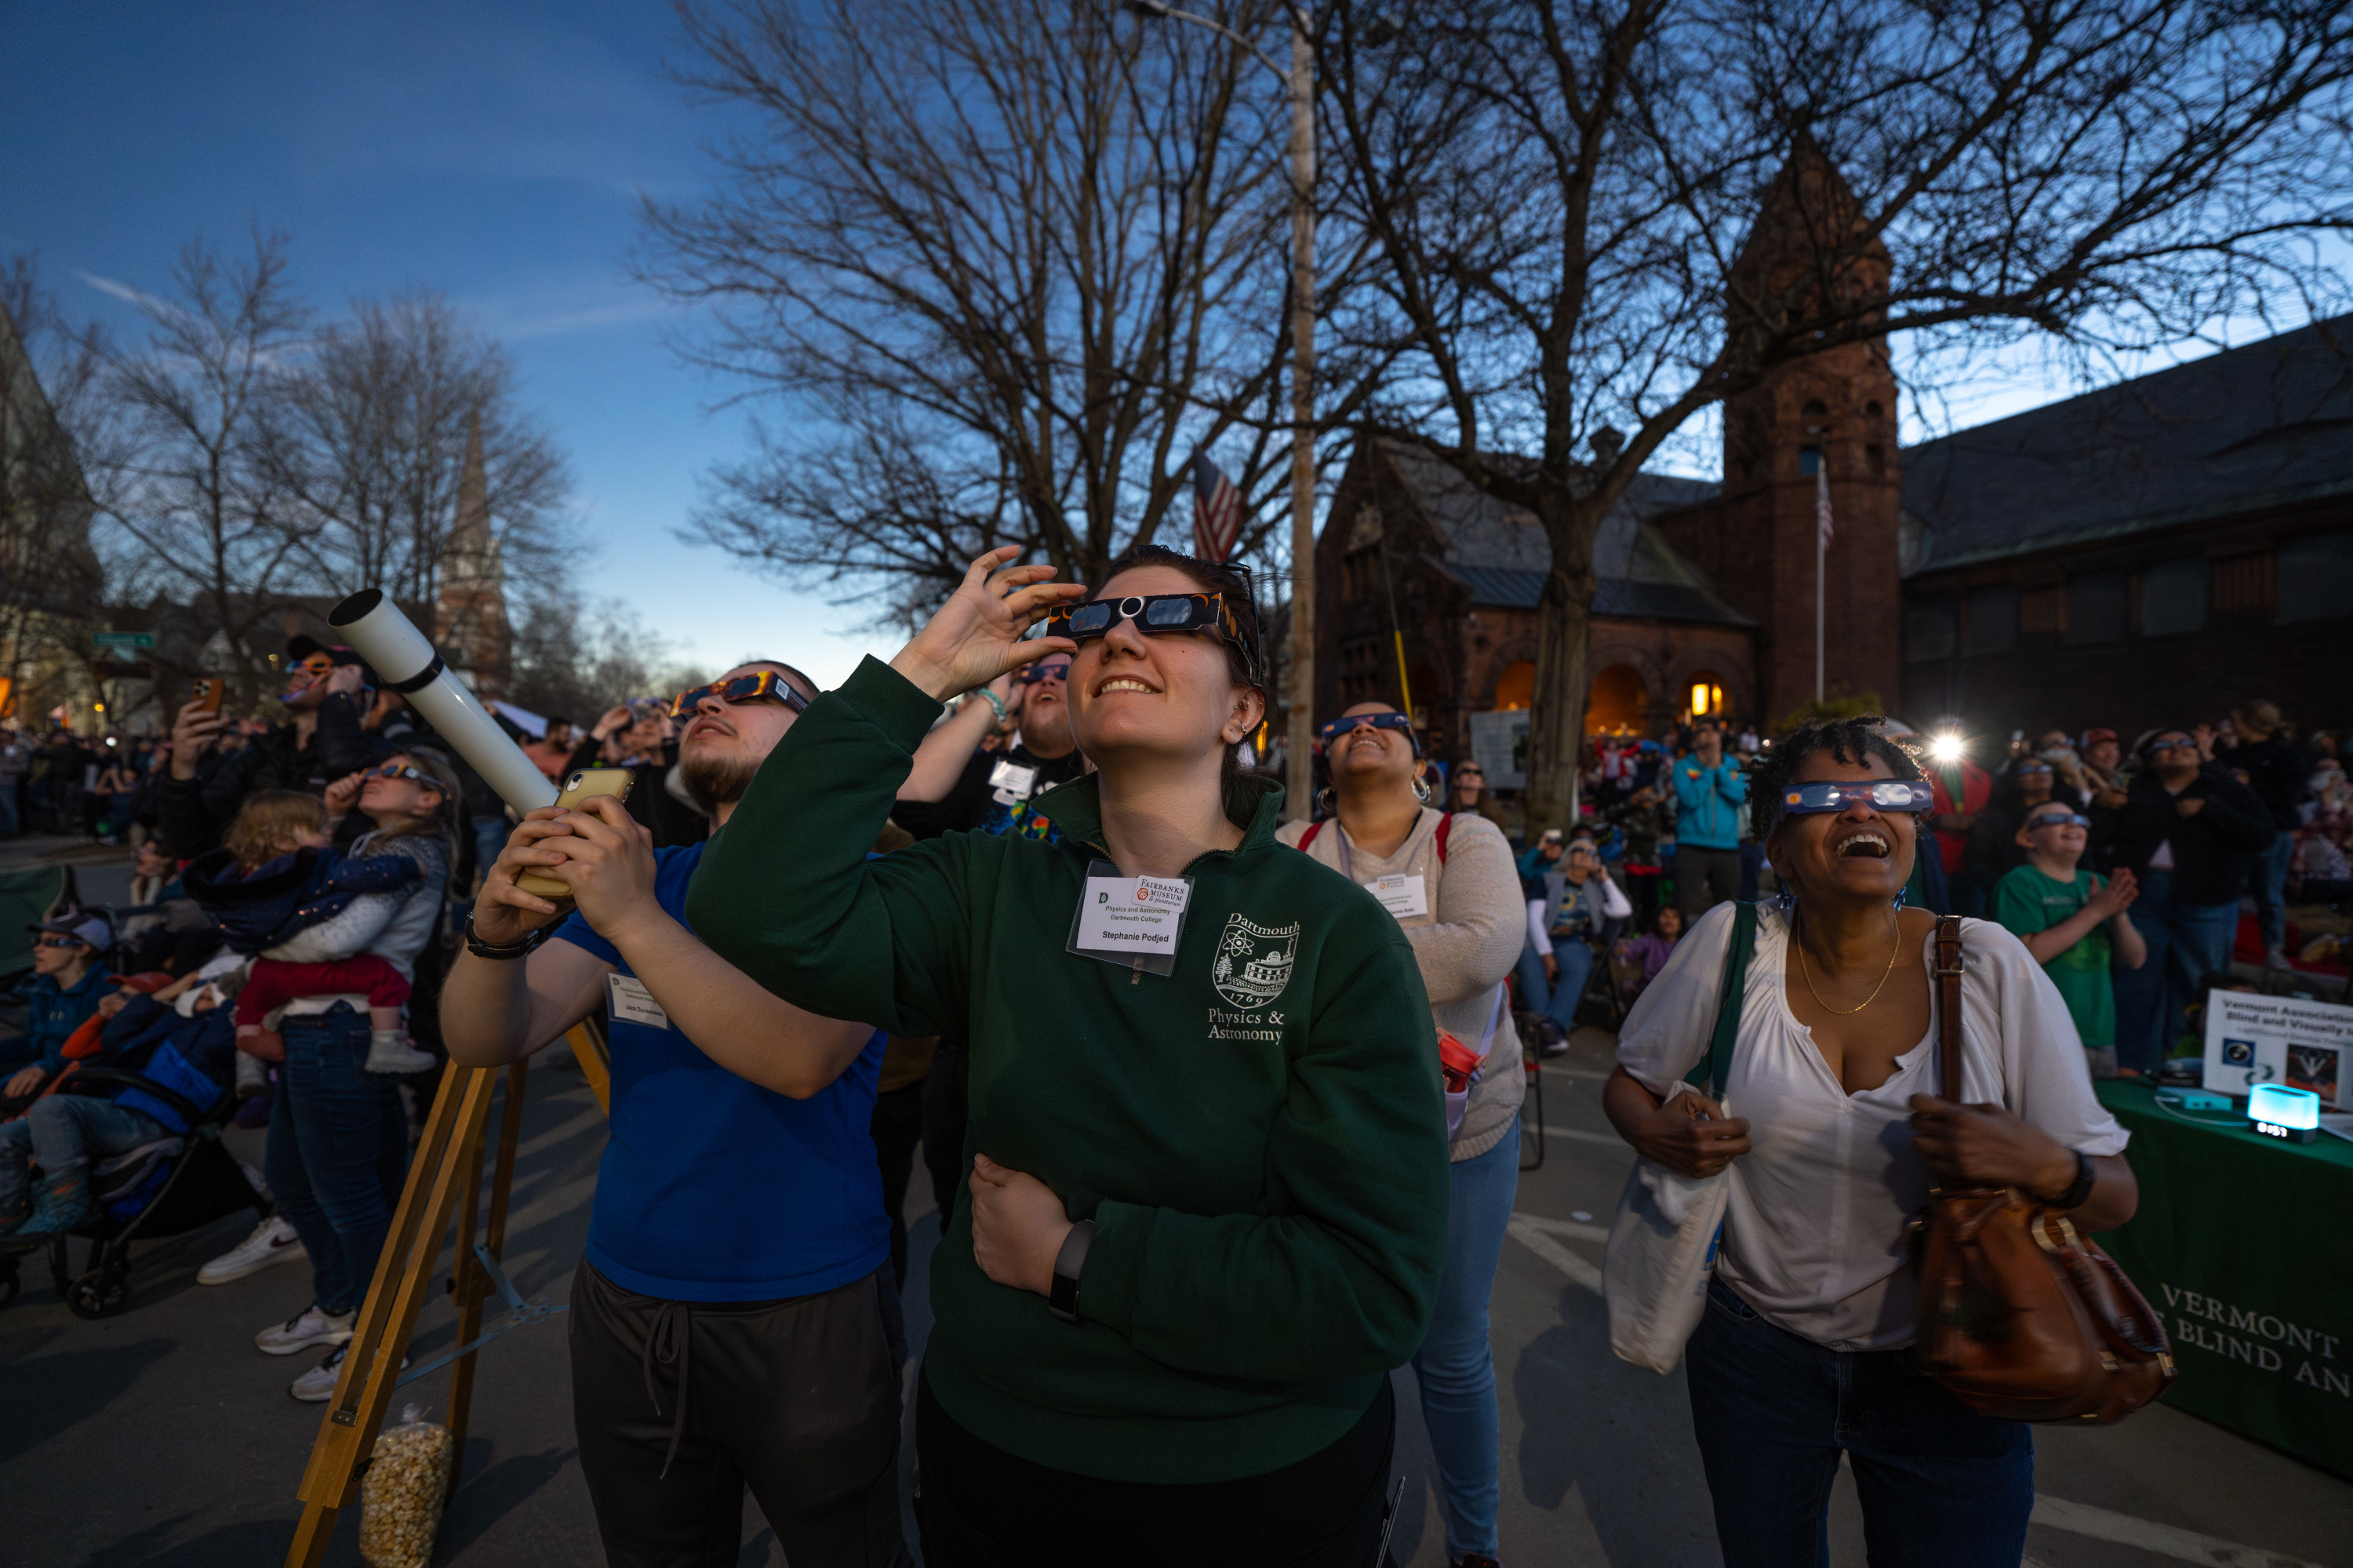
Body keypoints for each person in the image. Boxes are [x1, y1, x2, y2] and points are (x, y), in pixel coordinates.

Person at [688, 545, 1447, 1566]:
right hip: (1000, 1461)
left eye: (1172, 615)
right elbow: (750, 905)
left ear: (1242, 711)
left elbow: (1373, 1287)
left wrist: (1076, 1256)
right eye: (1094, 621)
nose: (1120, 633)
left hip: (1255, 1482)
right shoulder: (986, 884)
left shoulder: (1338, 934)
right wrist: (919, 673)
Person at [1604, 716, 2137, 1568]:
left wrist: (2035, 1161)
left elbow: (2115, 1192)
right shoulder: (1732, 943)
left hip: (1952, 1366)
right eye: (1825, 798)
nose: (1863, 811)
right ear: (1777, 844)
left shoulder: (1990, 964)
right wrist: (1655, 1130)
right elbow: (1628, 1084)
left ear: (1913, 827)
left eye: (1890, 796)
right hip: (1755, 1358)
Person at [444, 660, 907, 1566]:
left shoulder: (872, 880)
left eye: (755, 691)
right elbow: (487, 1037)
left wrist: (633, 920)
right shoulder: (651, 877)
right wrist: (492, 939)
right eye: (701, 698)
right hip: (627, 1297)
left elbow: (802, 1060)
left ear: (821, 744)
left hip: (803, 1305)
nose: (710, 704)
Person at [1281, 702, 1525, 1568]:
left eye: (1387, 719)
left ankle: (1476, 1544)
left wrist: (1326, 954)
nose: (1365, 726)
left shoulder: (1469, 837)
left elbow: (1486, 948)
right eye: (1345, 724)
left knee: (1452, 1352)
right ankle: (1348, 1530)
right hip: (1327, 1133)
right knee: (1334, 1345)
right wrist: (1413, 947)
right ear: (1325, 755)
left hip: (1463, 1134)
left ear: (1419, 755)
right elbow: (1260, 952)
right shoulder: (1292, 844)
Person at [248, 749, 458, 1400]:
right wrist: (331, 819)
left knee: (349, 1195)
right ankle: (339, 1301)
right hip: (313, 1021)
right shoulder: (371, 838)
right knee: (291, 1178)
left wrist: (258, 932)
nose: (376, 773)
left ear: (429, 800)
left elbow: (336, 938)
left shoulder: (417, 852)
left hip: (347, 1025)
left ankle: (376, 1338)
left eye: (398, 772)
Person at [183, 789, 435, 1074]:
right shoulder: (307, 868)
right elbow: (361, 875)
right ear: (280, 840)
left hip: (269, 972)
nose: (329, 832)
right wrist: (409, 866)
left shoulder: (239, 880)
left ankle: (248, 1062)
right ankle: (388, 1046)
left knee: (249, 1002)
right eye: (319, 828)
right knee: (386, 979)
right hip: (319, 984)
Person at [2095, 729, 2273, 1078]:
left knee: (2198, 983)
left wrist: (2212, 810)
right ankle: (2131, 1066)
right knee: (2136, 982)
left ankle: (2188, 1066)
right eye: (2164, 746)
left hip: (2207, 900)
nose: (2176, 749)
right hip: (2142, 896)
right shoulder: (2134, 792)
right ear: (2150, 759)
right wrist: (2099, 807)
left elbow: (2263, 835)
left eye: (2185, 743)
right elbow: (2100, 837)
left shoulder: (2226, 790)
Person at [1993, 802, 2149, 1078]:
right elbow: (2025, 955)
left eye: (2079, 820)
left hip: (2098, 1033)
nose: (2073, 825)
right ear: (2027, 838)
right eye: (2056, 819)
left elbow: (2136, 959)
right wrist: (2097, 911)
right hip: (2043, 1032)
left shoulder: (2097, 882)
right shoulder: (2020, 883)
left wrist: (2119, 913)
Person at [894, 650, 1086, 843]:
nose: (1048, 680)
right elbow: (905, 796)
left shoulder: (1100, 781)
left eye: (1064, 674)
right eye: (1034, 676)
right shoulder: (986, 769)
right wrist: (993, 700)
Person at [2216, 700, 2310, 970]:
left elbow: (2289, 796)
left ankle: (2274, 948)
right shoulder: (2235, 755)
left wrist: (2249, 787)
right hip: (2236, 833)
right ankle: (2226, 944)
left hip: (2273, 833)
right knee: (2228, 890)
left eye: (2237, 722)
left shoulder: (2285, 755)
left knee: (2268, 892)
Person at [0, 914, 117, 1114]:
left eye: (52, 942)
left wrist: (47, 1067)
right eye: (39, 941)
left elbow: (99, 1052)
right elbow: (36, 1043)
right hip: (45, 1066)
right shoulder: (44, 989)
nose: (38, 948)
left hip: (75, 1081)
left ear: (83, 948)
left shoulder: (105, 995)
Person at [1530, 839, 1632, 1051]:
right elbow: (1533, 919)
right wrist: (1546, 953)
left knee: (1578, 965)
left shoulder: (1595, 888)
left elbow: (1622, 910)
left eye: (1591, 852)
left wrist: (1604, 877)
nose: (1586, 854)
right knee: (1528, 960)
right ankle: (1544, 1026)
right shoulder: (1548, 879)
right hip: (1536, 937)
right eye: (1580, 849)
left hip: (1571, 940)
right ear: (1569, 854)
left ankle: (1550, 1024)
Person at [1672, 720, 1746, 922]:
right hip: (1691, 846)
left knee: (1730, 909)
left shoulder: (1733, 766)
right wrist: (1709, 771)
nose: (1710, 734)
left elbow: (1740, 796)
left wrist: (1719, 769)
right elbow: (1690, 799)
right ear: (1695, 739)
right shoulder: (1683, 767)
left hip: (1728, 847)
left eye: (1714, 729)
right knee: (1683, 906)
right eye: (1703, 730)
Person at [1612, 904, 1682, 1006]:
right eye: (1664, 915)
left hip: (1671, 992)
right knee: (1626, 986)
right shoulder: (1650, 940)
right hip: (1646, 989)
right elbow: (1634, 949)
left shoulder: (1683, 946)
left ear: (1680, 925)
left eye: (1674, 917)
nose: (1669, 920)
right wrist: (1623, 950)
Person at [1446, 757, 1509, 832]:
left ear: (1482, 783)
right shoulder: (1446, 811)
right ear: (1456, 780)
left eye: (1477, 772)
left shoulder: (1494, 813)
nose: (1472, 774)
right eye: (1466, 771)